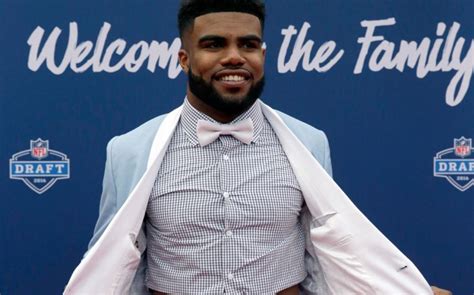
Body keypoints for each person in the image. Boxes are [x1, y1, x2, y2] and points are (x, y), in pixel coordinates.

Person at [65, 1, 452, 294]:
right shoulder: (129, 151)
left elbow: (328, 257)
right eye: (214, 44)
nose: (234, 56)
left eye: (248, 44)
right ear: (184, 59)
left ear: (262, 56)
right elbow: (115, 265)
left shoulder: (309, 142)